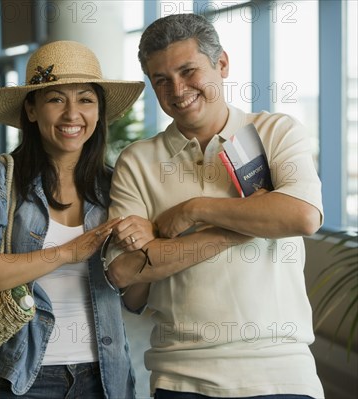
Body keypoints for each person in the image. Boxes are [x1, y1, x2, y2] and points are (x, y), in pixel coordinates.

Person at [104, 13, 325, 399]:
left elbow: (303, 216)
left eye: (188, 71)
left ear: (221, 64)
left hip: (282, 371)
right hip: (180, 374)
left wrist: (194, 210)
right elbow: (124, 274)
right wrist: (252, 220)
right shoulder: (137, 160)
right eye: (161, 80)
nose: (178, 89)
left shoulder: (277, 132)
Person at [0, 40, 147, 398]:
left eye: (86, 99)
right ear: (32, 110)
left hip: (105, 376)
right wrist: (67, 253)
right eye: (56, 99)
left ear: (99, 112)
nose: (72, 114)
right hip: (21, 377)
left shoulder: (116, 185)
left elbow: (134, 298)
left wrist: (145, 248)